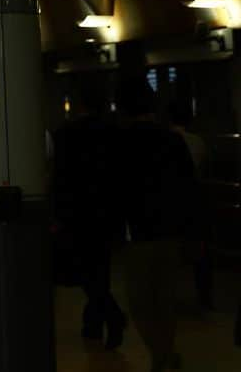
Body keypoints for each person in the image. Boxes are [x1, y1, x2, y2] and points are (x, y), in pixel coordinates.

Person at [116, 77, 196, 372]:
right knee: (165, 299)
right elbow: (188, 186)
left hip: (137, 230)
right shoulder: (172, 140)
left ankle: (161, 356)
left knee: (140, 302)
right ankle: (165, 355)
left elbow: (114, 188)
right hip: (170, 228)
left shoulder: (120, 142)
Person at [52, 85, 126, 347]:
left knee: (85, 272)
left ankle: (109, 317)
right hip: (106, 213)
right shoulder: (114, 134)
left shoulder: (65, 135)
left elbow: (59, 178)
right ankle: (94, 323)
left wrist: (57, 215)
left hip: (76, 214)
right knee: (99, 270)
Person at [170, 101, 213, 310]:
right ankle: (204, 297)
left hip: (171, 203)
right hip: (194, 203)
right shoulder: (198, 142)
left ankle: (168, 297)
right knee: (200, 252)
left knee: (171, 252)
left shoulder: (166, 142)